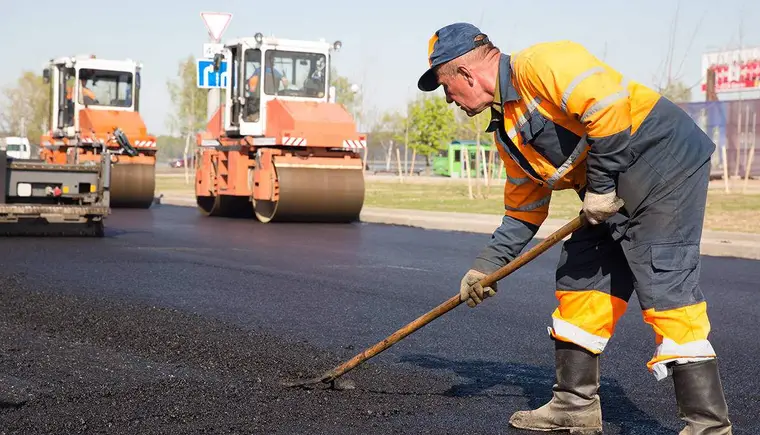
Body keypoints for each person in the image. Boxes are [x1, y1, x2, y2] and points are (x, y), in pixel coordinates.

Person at [417, 22, 732, 435]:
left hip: (664, 164)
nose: (449, 100)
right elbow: (524, 211)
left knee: (665, 283)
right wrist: (484, 268)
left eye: (445, 87)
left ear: (465, 74)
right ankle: (574, 406)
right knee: (581, 275)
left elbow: (608, 107)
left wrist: (599, 189)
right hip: (608, 191)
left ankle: (708, 426)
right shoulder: (509, 131)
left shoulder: (542, 63)